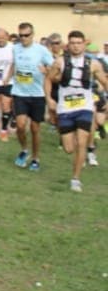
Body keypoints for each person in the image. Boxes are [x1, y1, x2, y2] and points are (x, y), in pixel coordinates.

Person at [46, 31, 108, 192]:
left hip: (84, 107)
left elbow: (105, 81)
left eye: (79, 43)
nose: (76, 46)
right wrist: (49, 99)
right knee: (69, 148)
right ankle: (78, 157)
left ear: (84, 44)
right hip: (65, 108)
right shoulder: (60, 62)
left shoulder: (93, 64)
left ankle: (76, 179)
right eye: (73, 43)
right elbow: (48, 79)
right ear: (68, 45)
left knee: (81, 142)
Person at [10, 22, 54, 172]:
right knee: (20, 125)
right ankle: (24, 149)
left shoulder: (41, 50)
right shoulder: (15, 48)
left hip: (37, 94)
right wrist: (8, 78)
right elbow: (13, 64)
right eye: (20, 35)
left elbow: (54, 68)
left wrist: (47, 71)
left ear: (32, 34)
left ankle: (36, 158)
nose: (23, 38)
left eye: (26, 35)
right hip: (19, 92)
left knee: (35, 129)